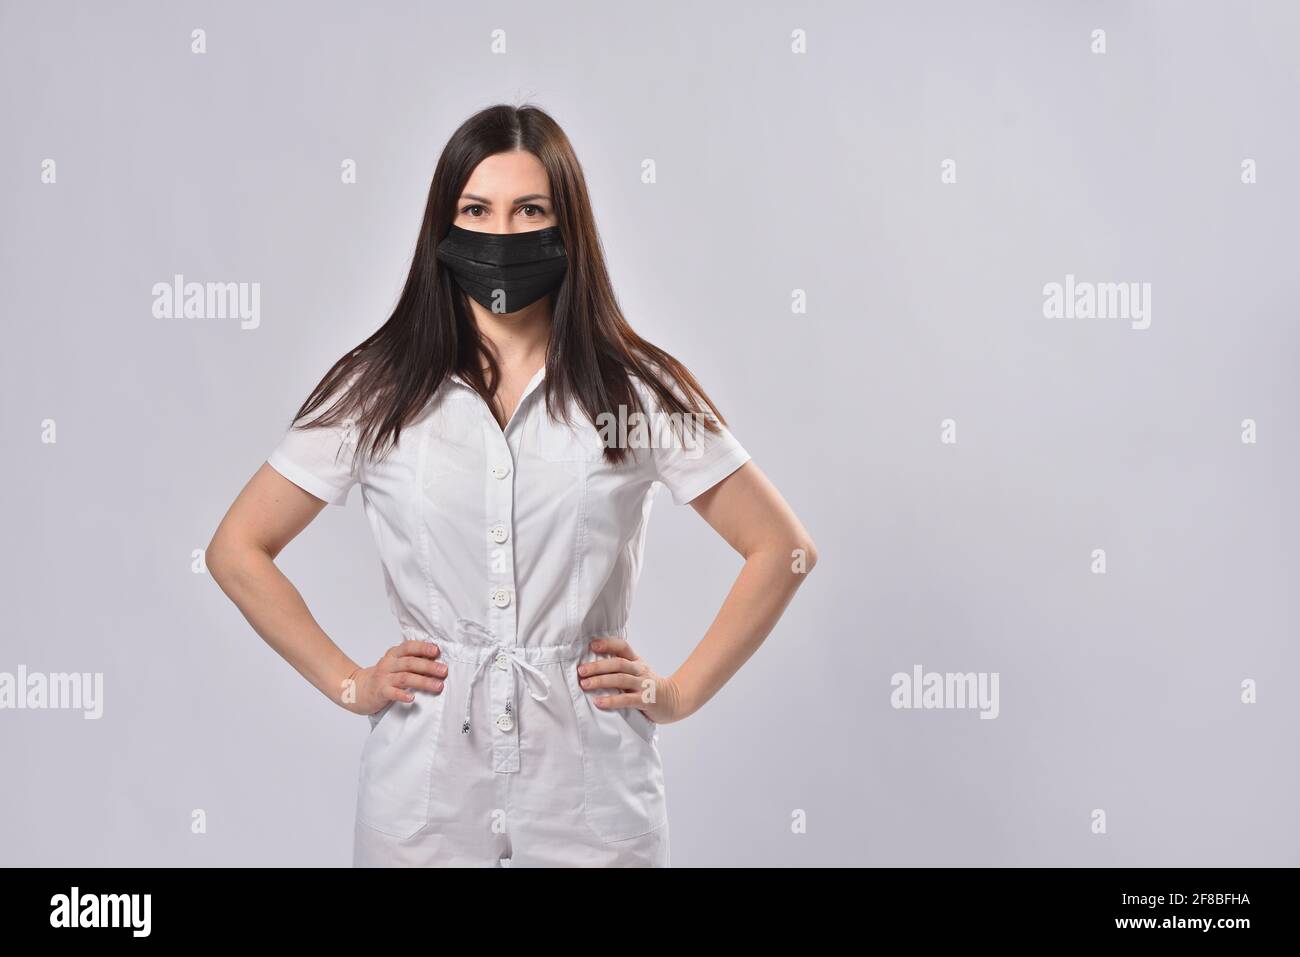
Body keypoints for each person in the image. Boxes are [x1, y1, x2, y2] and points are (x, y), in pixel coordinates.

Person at [206, 103, 818, 867]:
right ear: (444, 227)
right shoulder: (381, 388)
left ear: (567, 230)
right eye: (477, 210)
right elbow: (237, 548)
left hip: (591, 790)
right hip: (423, 791)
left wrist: (678, 693)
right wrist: (352, 682)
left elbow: (781, 548)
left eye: (530, 209)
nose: (503, 234)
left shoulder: (632, 391)